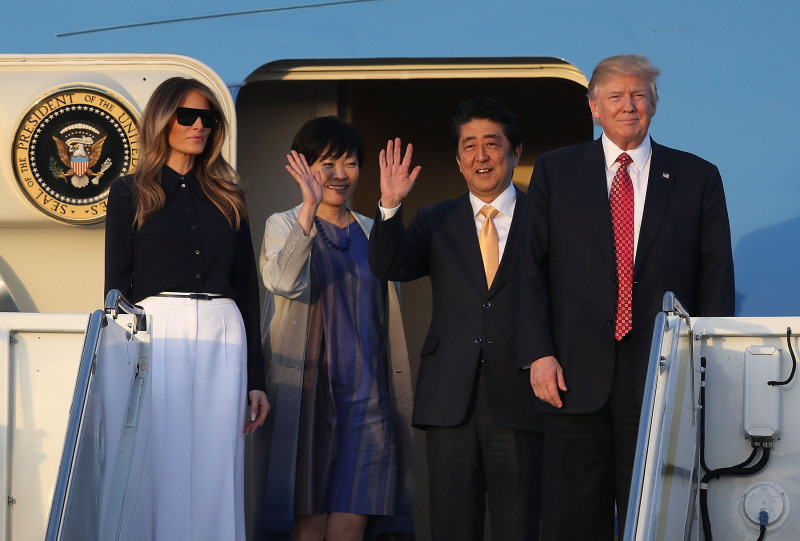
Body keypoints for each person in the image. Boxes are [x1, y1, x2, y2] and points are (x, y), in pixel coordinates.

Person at [516, 54, 735, 539]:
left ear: (654, 107)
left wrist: (706, 371)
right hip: (571, 377)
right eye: (615, 96)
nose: (628, 105)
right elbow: (529, 270)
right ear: (594, 107)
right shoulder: (555, 171)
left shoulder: (698, 177)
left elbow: (716, 278)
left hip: (662, 378)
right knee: (572, 520)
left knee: (657, 518)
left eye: (639, 95)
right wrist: (537, 352)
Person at [104, 76, 269, 541]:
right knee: (161, 457)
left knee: (219, 461)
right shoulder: (130, 192)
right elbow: (116, 289)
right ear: (163, 120)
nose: (199, 126)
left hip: (224, 330)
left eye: (208, 118)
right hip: (160, 330)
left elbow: (247, 289)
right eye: (188, 115)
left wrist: (257, 378)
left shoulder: (229, 193)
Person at [370, 98, 543, 541]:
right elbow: (390, 266)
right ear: (458, 160)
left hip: (523, 396)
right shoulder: (436, 219)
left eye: (492, 144)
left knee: (519, 525)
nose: (480, 156)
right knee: (452, 525)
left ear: (515, 152)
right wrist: (389, 204)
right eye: (469, 146)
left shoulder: (544, 218)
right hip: (450, 399)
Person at [257, 116, 414, 541]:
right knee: (308, 524)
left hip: (367, 398)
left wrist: (392, 205)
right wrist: (308, 209)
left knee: (352, 525)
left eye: (350, 163)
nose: (340, 175)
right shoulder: (284, 223)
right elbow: (283, 281)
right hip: (308, 395)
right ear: (304, 168)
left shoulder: (370, 228)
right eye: (328, 163)